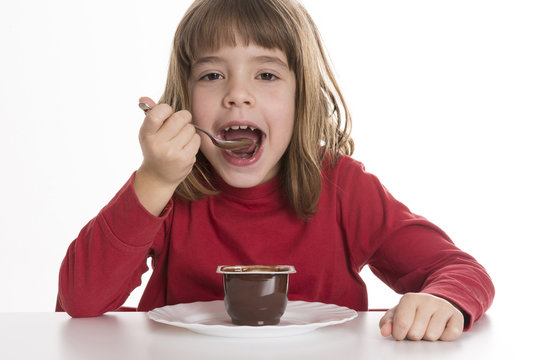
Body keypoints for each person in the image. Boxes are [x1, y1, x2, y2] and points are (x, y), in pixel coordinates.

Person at [56, 0, 494, 341]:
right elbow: (80, 300)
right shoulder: (170, 187)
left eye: (266, 75)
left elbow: (461, 271)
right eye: (211, 76)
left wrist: (441, 300)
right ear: (184, 102)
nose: (237, 95)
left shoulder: (344, 187)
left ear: (301, 97)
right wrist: (154, 179)